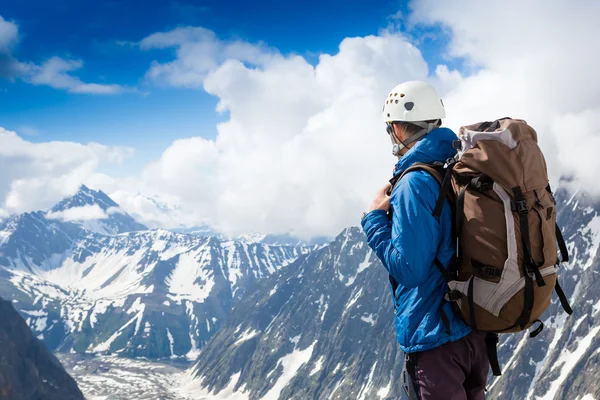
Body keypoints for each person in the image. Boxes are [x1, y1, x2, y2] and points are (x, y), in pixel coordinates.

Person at [360, 81, 489, 400]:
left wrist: (375, 220)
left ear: (399, 129)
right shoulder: (452, 165)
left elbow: (410, 269)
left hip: (435, 340)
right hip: (471, 331)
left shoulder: (414, 183)